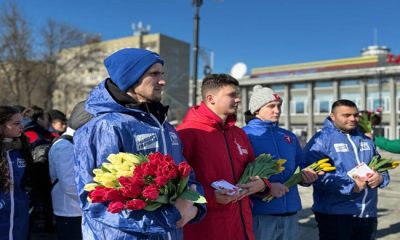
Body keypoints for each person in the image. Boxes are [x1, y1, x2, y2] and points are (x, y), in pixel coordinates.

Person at [74, 48, 206, 239]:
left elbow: (186, 174)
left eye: (162, 73)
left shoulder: (165, 126)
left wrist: (196, 206)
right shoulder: (106, 126)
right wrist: (168, 217)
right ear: (130, 78)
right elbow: (96, 199)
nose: (162, 81)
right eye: (154, 74)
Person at [177, 74, 266, 240]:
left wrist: (262, 184)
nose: (238, 99)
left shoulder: (239, 133)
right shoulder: (187, 132)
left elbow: (253, 167)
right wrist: (211, 197)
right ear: (211, 98)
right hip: (208, 228)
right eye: (232, 95)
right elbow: (176, 184)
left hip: (242, 226)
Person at [303, 99, 390, 240]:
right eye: (346, 115)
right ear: (333, 116)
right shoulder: (321, 140)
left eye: (355, 115)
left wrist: (380, 178)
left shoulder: (365, 139)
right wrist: (351, 186)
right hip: (336, 215)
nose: (353, 119)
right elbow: (314, 175)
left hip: (367, 214)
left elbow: (380, 165)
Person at [242, 85, 318, 240]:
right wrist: (267, 187)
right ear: (257, 109)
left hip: (291, 213)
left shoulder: (288, 136)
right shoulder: (243, 135)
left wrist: (306, 176)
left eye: (279, 106)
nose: (277, 110)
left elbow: (300, 165)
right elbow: (239, 175)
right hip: (260, 215)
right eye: (271, 106)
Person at [49, 101, 92, 240]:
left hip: (78, 208)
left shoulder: (75, 141)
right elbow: (70, 185)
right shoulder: (65, 146)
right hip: (70, 211)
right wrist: (94, 200)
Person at [0, 105, 33, 240]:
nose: (22, 127)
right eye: (16, 123)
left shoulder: (22, 148)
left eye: (22, 122)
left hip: (19, 214)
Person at [23, 105, 57, 233]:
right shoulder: (39, 134)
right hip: (41, 175)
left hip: (30, 176)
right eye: (45, 118)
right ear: (39, 119)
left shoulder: (25, 132)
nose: (47, 122)